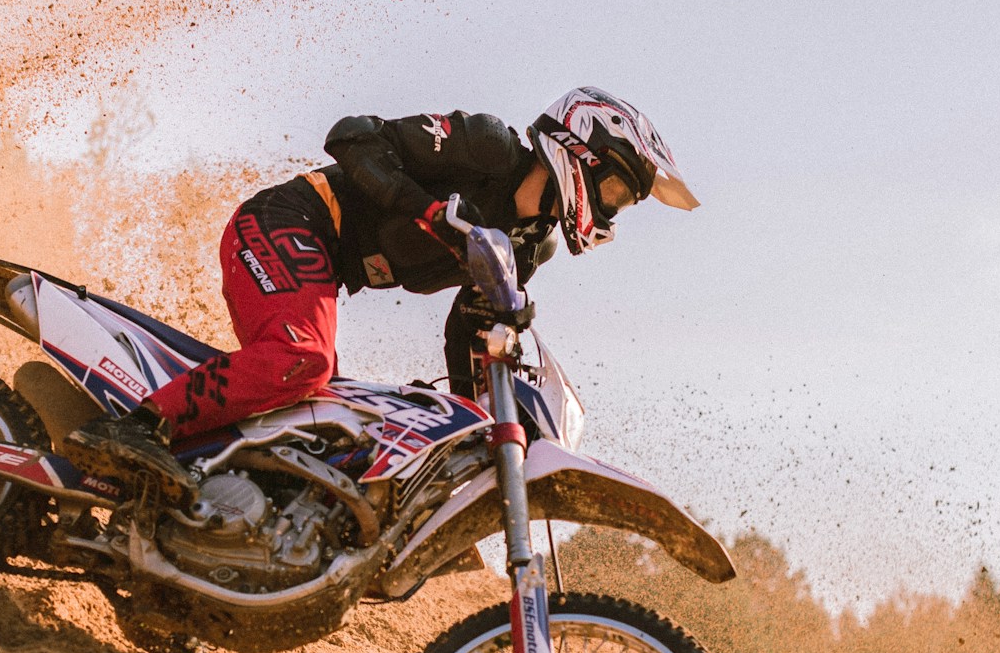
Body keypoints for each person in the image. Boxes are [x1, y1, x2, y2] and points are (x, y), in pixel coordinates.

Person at [63, 85, 699, 505]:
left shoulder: (531, 245)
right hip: (292, 219)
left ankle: (184, 526)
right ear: (581, 151)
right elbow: (353, 137)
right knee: (302, 358)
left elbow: (468, 333)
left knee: (323, 430)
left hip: (322, 268)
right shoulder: (488, 147)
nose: (614, 208)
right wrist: (428, 208)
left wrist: (478, 426)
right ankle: (134, 426)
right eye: (618, 189)